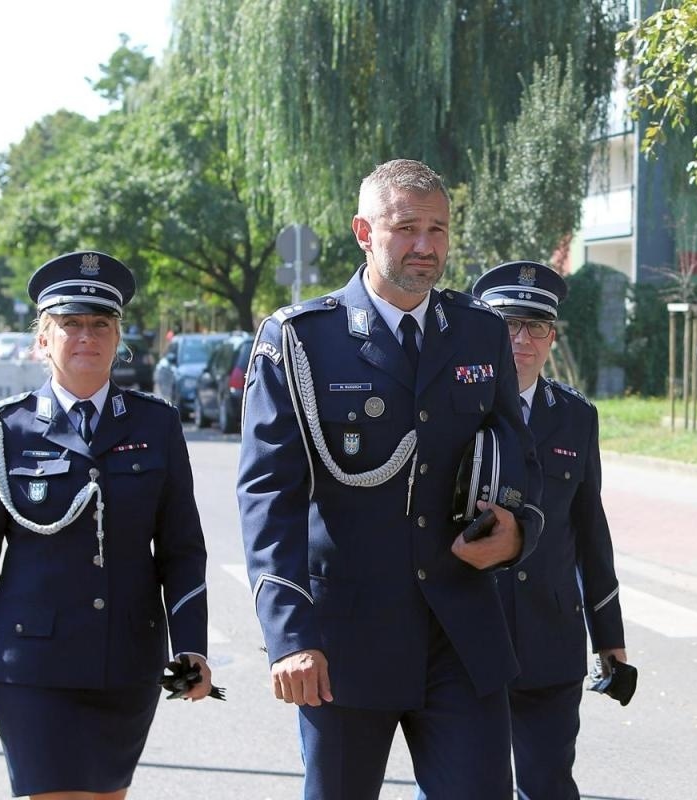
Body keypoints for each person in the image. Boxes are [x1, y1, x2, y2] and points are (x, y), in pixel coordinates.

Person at [236, 159, 544, 799]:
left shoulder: (478, 331)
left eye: (438, 228)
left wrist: (517, 531)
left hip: (460, 633)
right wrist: (290, 636)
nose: (426, 246)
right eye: (407, 228)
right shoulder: (299, 340)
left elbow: (516, 452)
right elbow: (269, 496)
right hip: (345, 641)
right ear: (363, 232)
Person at [0, 251, 213, 799]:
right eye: (70, 324)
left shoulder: (155, 423)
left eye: (100, 325)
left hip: (127, 662)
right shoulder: (5, 428)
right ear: (43, 340)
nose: (86, 336)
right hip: (32, 664)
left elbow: (182, 548)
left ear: (118, 339)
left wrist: (190, 648)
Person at [471, 261, 627, 800]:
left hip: (551, 637)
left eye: (536, 326)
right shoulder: (453, 409)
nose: (522, 339)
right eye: (509, 324)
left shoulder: (577, 417)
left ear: (553, 336)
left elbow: (591, 531)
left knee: (548, 785)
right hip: (467, 635)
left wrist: (611, 639)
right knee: (462, 785)